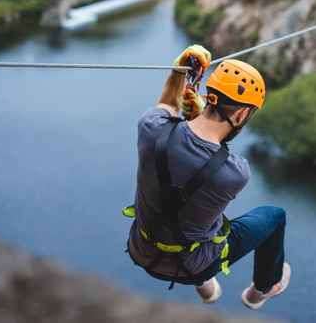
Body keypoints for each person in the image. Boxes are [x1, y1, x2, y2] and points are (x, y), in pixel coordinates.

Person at [124, 45, 291, 310]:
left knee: (188, 216)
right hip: (194, 268)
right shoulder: (235, 172)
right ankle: (261, 290)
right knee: (274, 216)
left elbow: (167, 104)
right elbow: (203, 159)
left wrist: (180, 69)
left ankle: (207, 289)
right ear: (241, 114)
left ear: (209, 96)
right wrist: (194, 116)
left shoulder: (151, 129)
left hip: (141, 251)